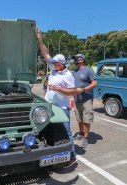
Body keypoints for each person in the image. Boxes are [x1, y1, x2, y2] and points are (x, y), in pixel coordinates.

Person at [35, 28, 77, 168]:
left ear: (61, 64)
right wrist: (40, 39)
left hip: (61, 107)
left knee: (66, 130)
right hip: (49, 105)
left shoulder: (68, 75)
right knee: (47, 128)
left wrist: (58, 88)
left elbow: (72, 92)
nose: (51, 63)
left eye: (54, 62)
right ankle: (51, 151)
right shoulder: (53, 68)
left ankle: (72, 156)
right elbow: (45, 52)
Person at [72, 54, 97, 148]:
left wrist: (83, 89)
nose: (74, 60)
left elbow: (95, 83)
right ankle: (81, 133)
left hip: (87, 99)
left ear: (82, 60)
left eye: (76, 59)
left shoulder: (88, 70)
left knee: (87, 118)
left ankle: (86, 138)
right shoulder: (75, 72)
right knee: (79, 118)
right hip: (77, 99)